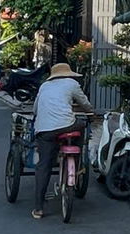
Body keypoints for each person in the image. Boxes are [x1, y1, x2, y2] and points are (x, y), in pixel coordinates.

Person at [27, 61, 95, 220]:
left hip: (44, 130)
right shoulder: (72, 83)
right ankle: (76, 162)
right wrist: (91, 111)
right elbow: (85, 104)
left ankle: (38, 208)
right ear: (68, 74)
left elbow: (35, 109)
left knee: (44, 165)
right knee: (81, 126)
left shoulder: (44, 86)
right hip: (67, 126)